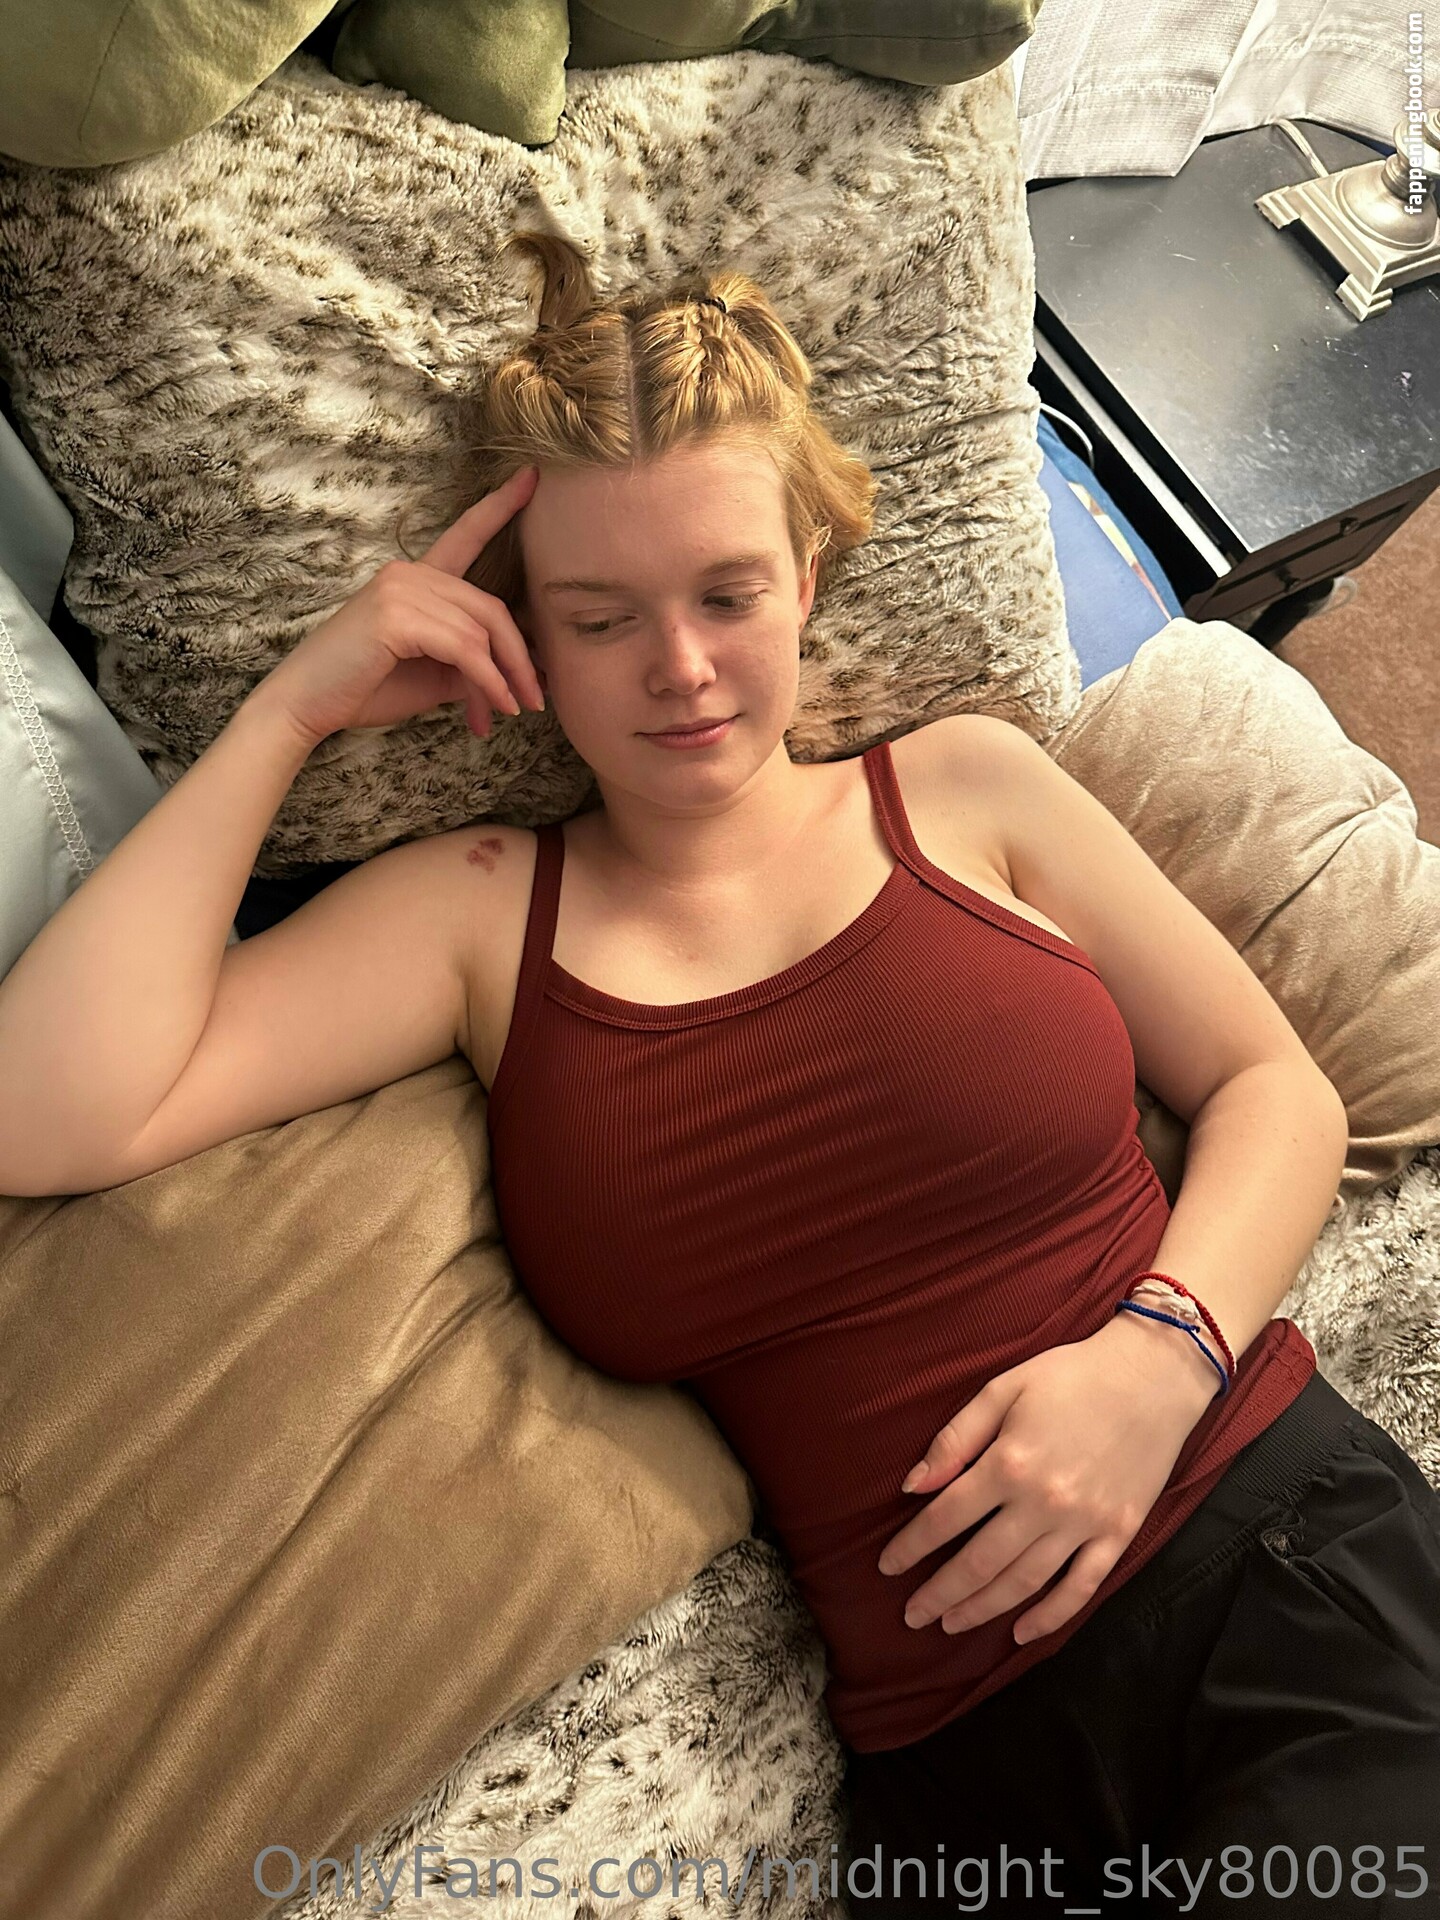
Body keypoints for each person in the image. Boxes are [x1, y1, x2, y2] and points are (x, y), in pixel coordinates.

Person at [1, 231, 1438, 1917]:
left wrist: (1157, 1359)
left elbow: (1278, 1089)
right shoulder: (475, 922)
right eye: (600, 617)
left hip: (1261, 1557)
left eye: (727, 596)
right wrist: (289, 717)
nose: (678, 669)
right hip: (956, 1767)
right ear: (524, 635)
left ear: (806, 577)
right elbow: (52, 1110)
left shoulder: (964, 789)